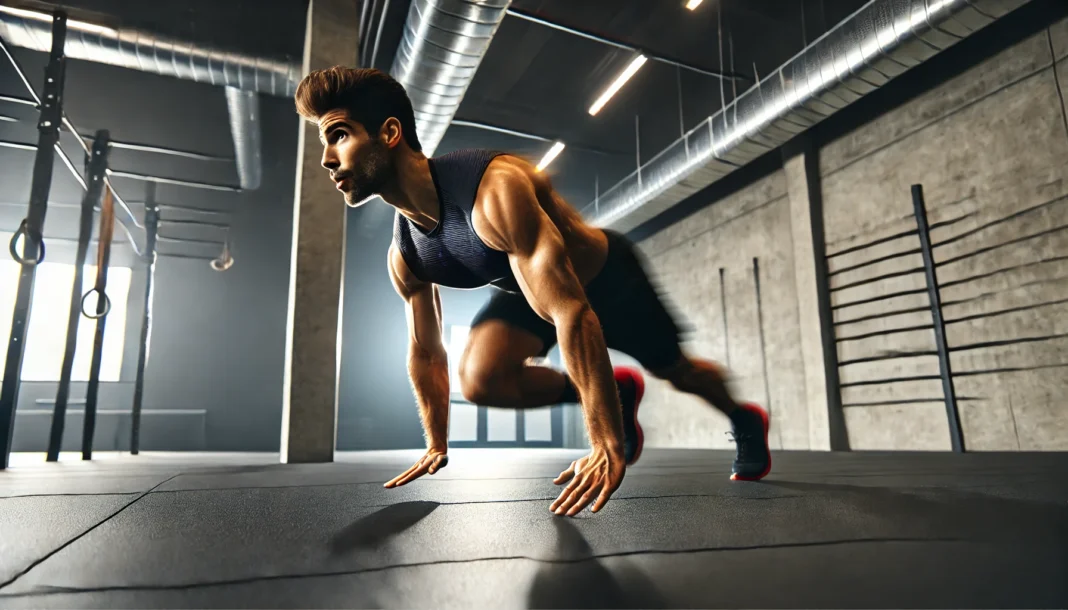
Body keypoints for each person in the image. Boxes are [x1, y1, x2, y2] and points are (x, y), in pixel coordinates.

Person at [294, 66, 772, 517]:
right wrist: (437, 442)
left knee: (679, 371)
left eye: (339, 134)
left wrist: (603, 441)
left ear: (390, 133)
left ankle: (742, 417)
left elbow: (572, 312)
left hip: (606, 278)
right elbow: (425, 352)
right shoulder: (407, 254)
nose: (326, 158)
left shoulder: (493, 190)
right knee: (481, 379)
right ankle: (619, 395)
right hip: (526, 288)